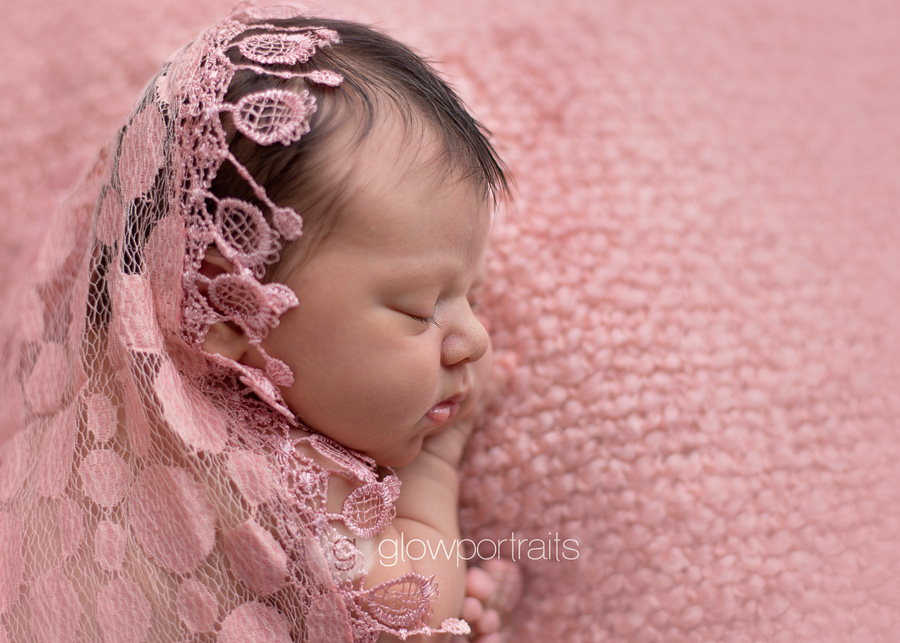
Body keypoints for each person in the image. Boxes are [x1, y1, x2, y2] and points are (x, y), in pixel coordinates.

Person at [0, 4, 520, 642]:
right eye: (419, 310)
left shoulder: (84, 410)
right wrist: (438, 461)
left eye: (472, 296)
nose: (476, 340)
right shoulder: (279, 477)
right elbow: (420, 607)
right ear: (233, 307)